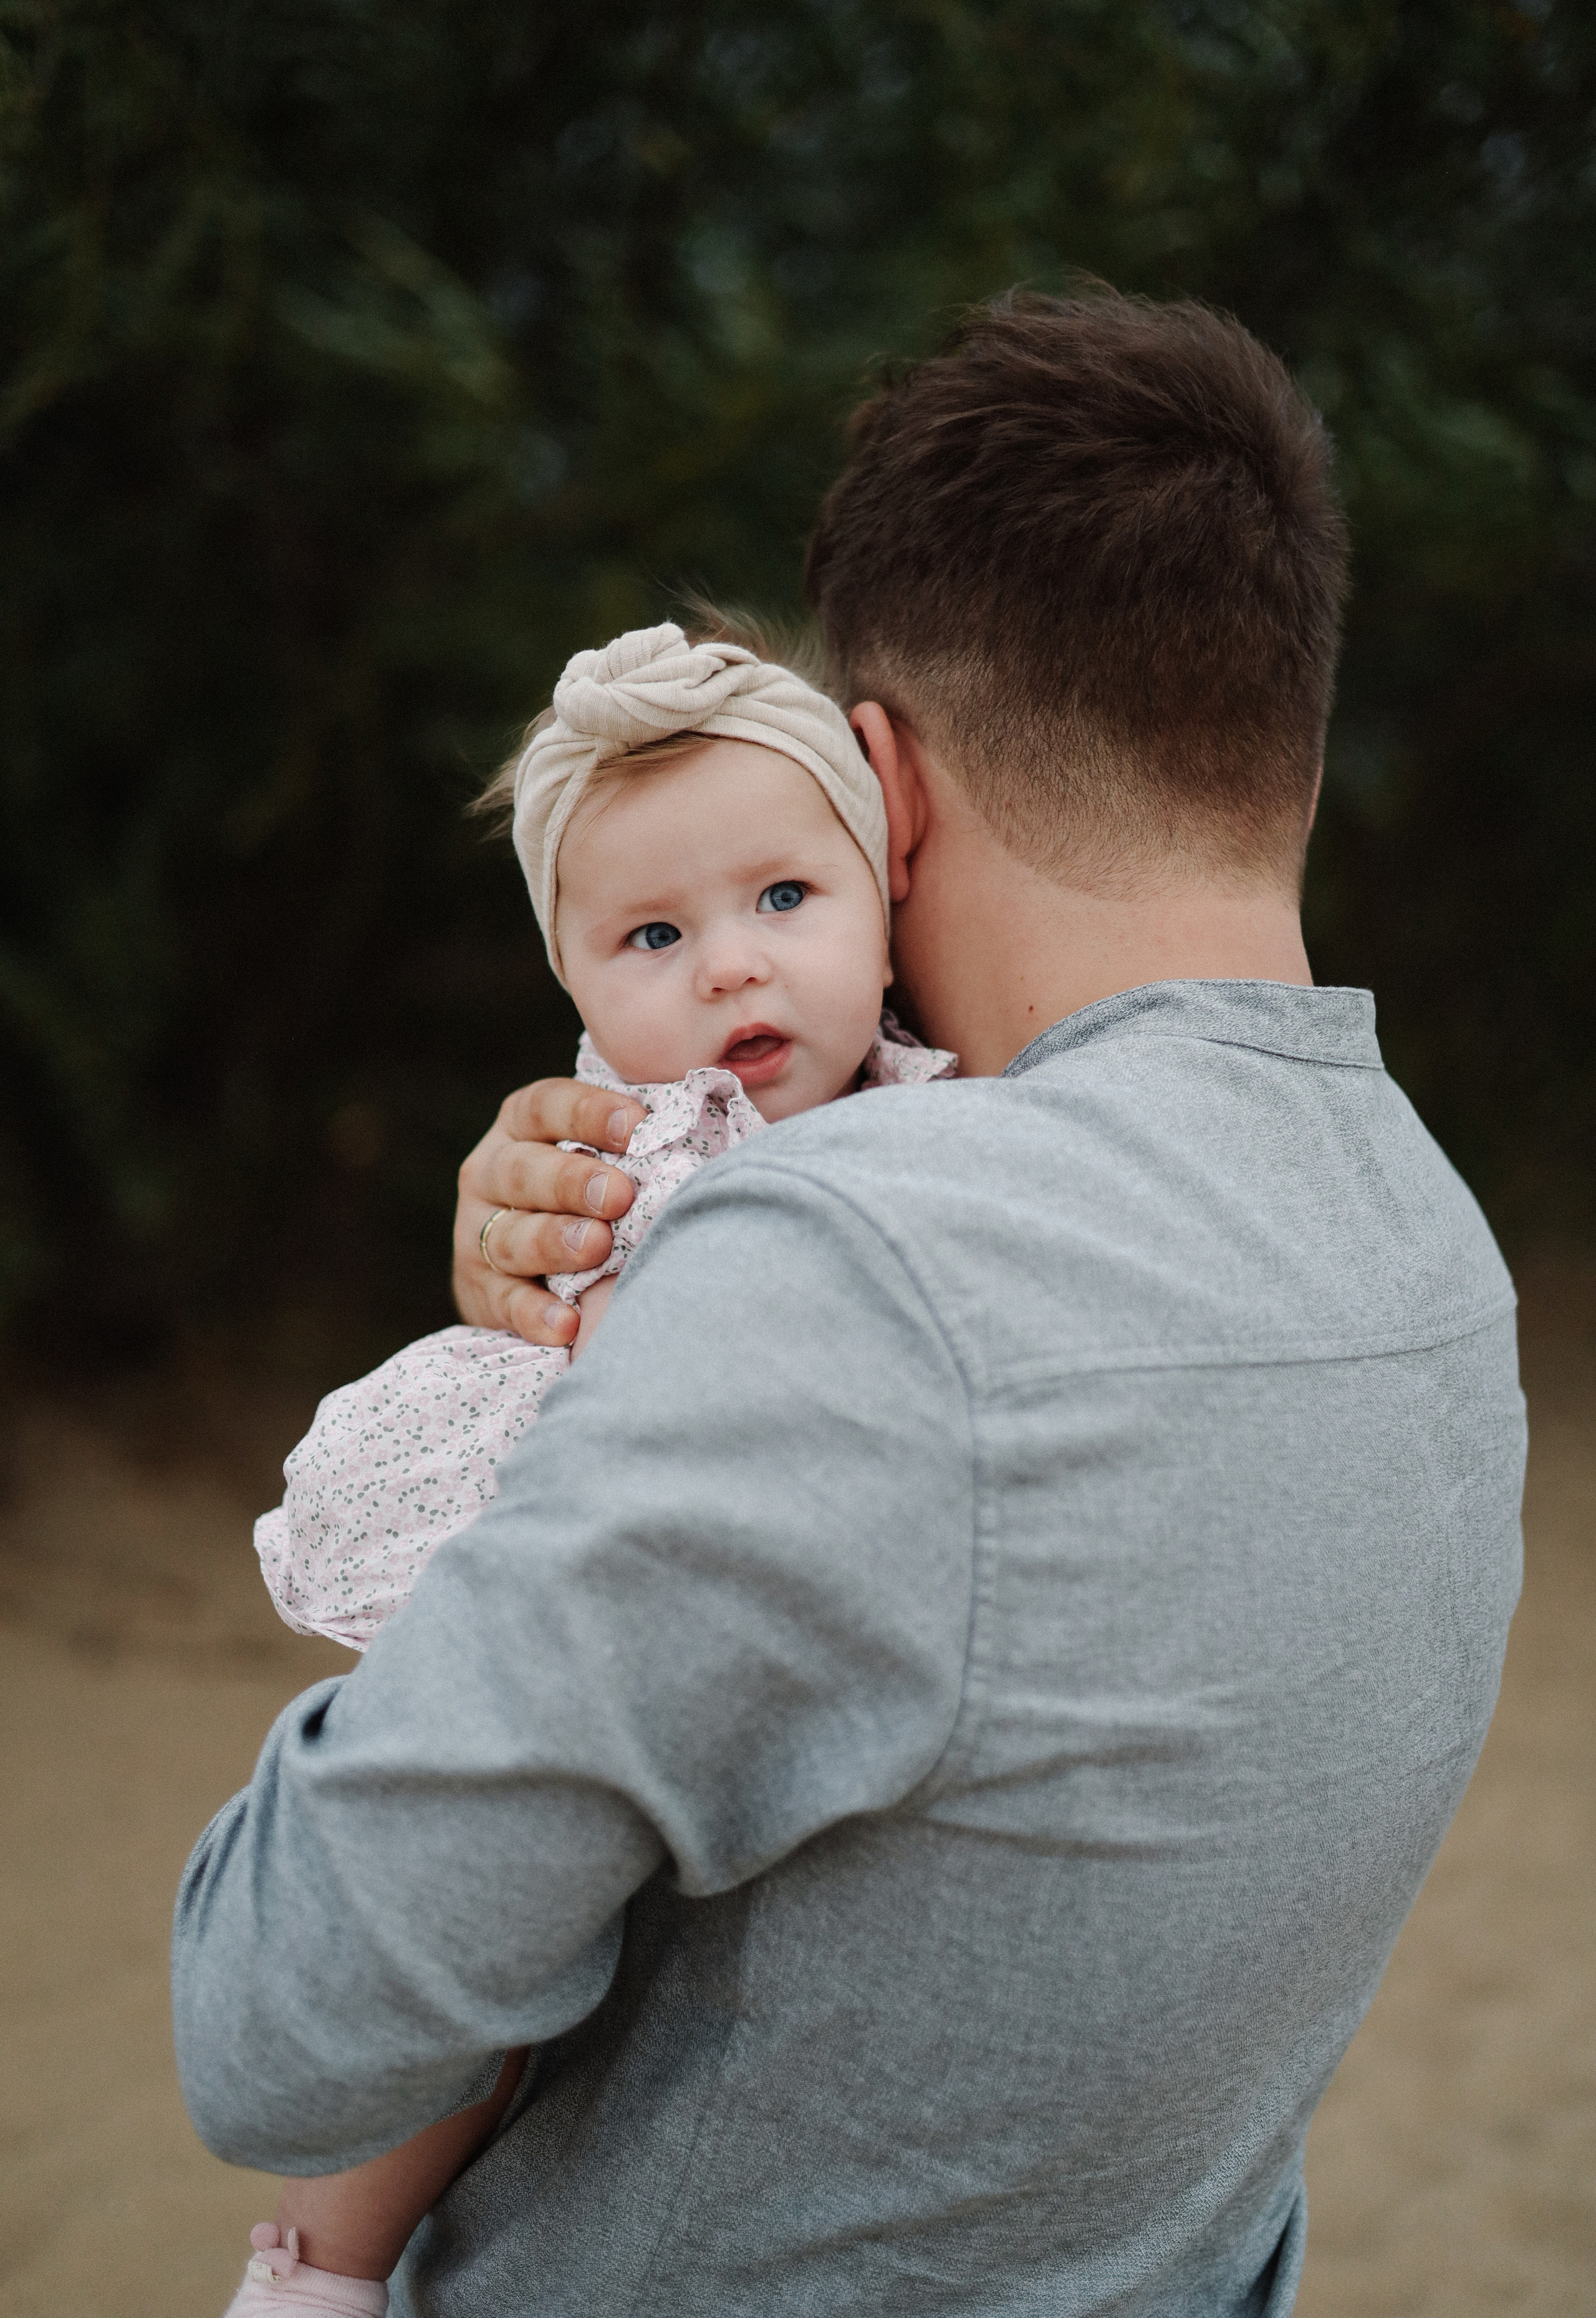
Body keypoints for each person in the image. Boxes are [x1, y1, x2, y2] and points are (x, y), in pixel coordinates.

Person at [174, 289, 1526, 2318]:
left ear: (878, 783)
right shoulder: (1438, 1263)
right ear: (1286, 737)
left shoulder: (858, 1269)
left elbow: (279, 2029)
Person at [223, 619, 954, 2314]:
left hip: (778, 1641)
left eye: (787, 898)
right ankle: (322, 2269)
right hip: (583, 1616)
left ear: (883, 890)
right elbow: (642, 1388)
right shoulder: (631, 1150)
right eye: (653, 935)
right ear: (573, 985)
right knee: (476, 1949)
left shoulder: (954, 1106)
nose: (732, 968)